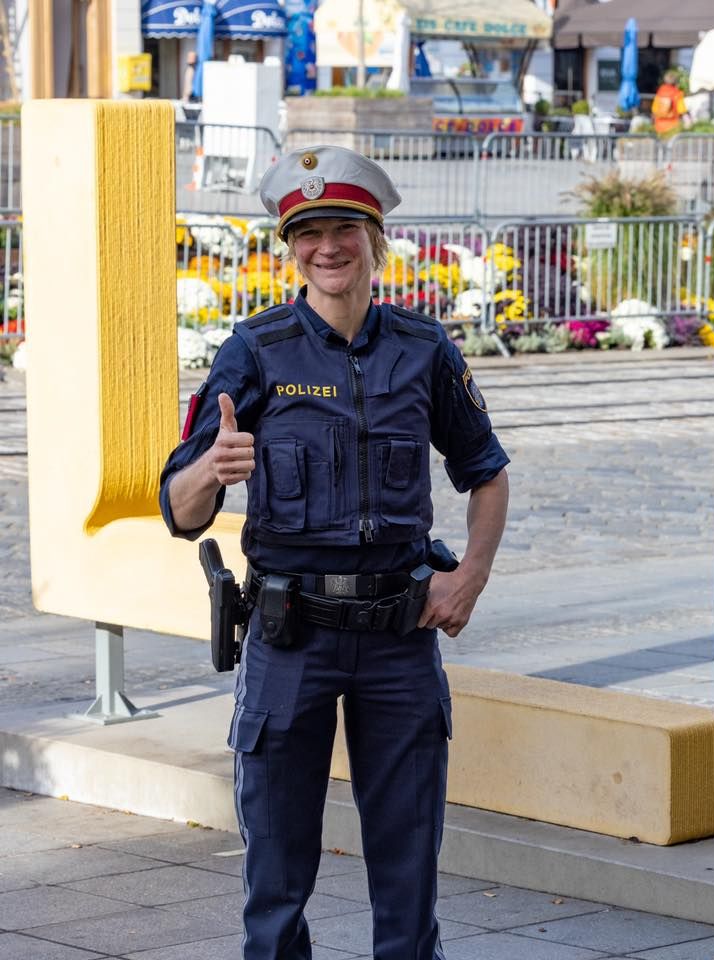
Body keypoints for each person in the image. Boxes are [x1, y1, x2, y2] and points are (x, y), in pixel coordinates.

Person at [159, 145, 510, 960]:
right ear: (290, 248)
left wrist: (470, 579)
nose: (327, 247)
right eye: (307, 231)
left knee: (409, 875)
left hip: (399, 640)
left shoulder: (424, 350)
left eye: (343, 228)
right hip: (291, 641)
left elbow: (486, 476)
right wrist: (212, 470)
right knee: (276, 883)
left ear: (374, 237)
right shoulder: (256, 350)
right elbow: (178, 509)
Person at [650, 70, 689, 135]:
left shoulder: (660, 93)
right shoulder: (677, 94)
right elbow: (682, 110)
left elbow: (654, 110)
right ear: (676, 82)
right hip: (673, 128)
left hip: (659, 127)